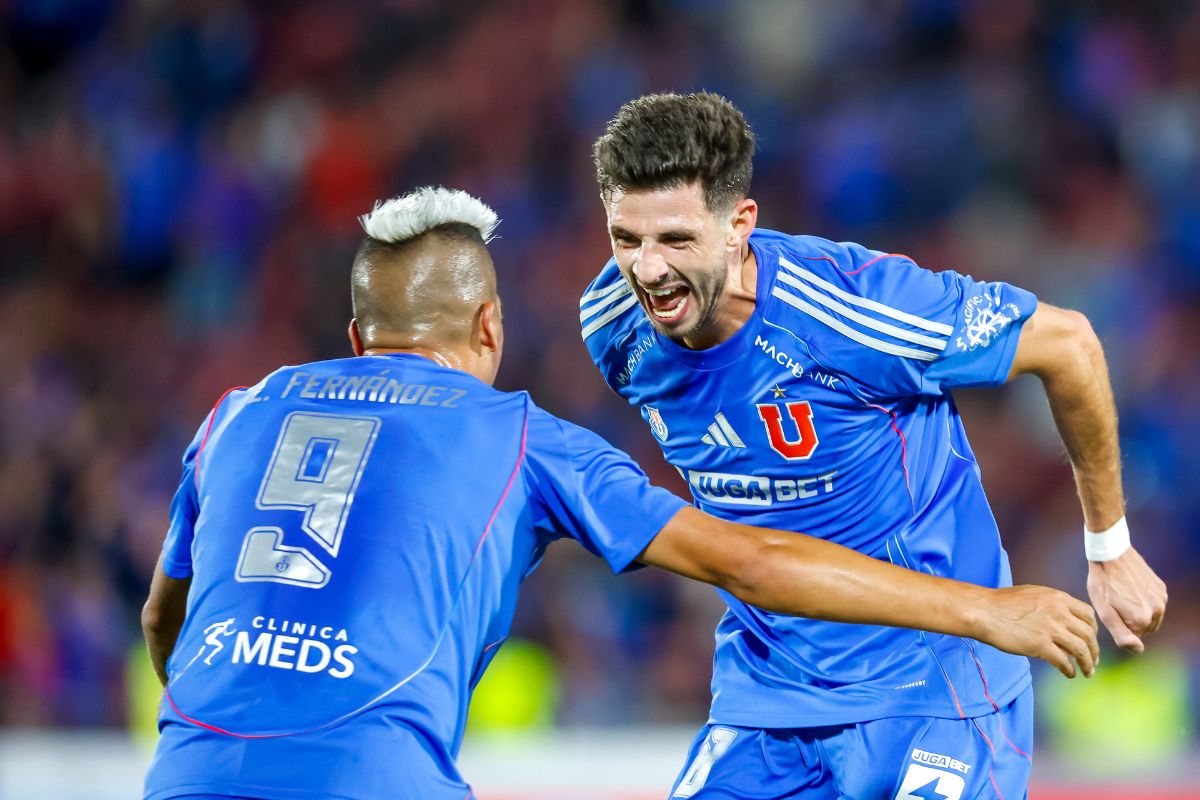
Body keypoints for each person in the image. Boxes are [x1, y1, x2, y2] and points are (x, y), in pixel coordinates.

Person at [140, 187, 1098, 800]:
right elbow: (750, 562)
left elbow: (162, 623)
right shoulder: (519, 436)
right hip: (374, 779)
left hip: (184, 772)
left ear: (357, 338)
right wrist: (988, 610)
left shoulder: (236, 412)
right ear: (489, 326)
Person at [580, 92, 1168, 799]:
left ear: (740, 225)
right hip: (769, 697)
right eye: (626, 239)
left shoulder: (853, 308)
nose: (647, 271)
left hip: (936, 686)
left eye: (676, 240)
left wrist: (1109, 545)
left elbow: (1068, 343)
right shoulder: (612, 326)